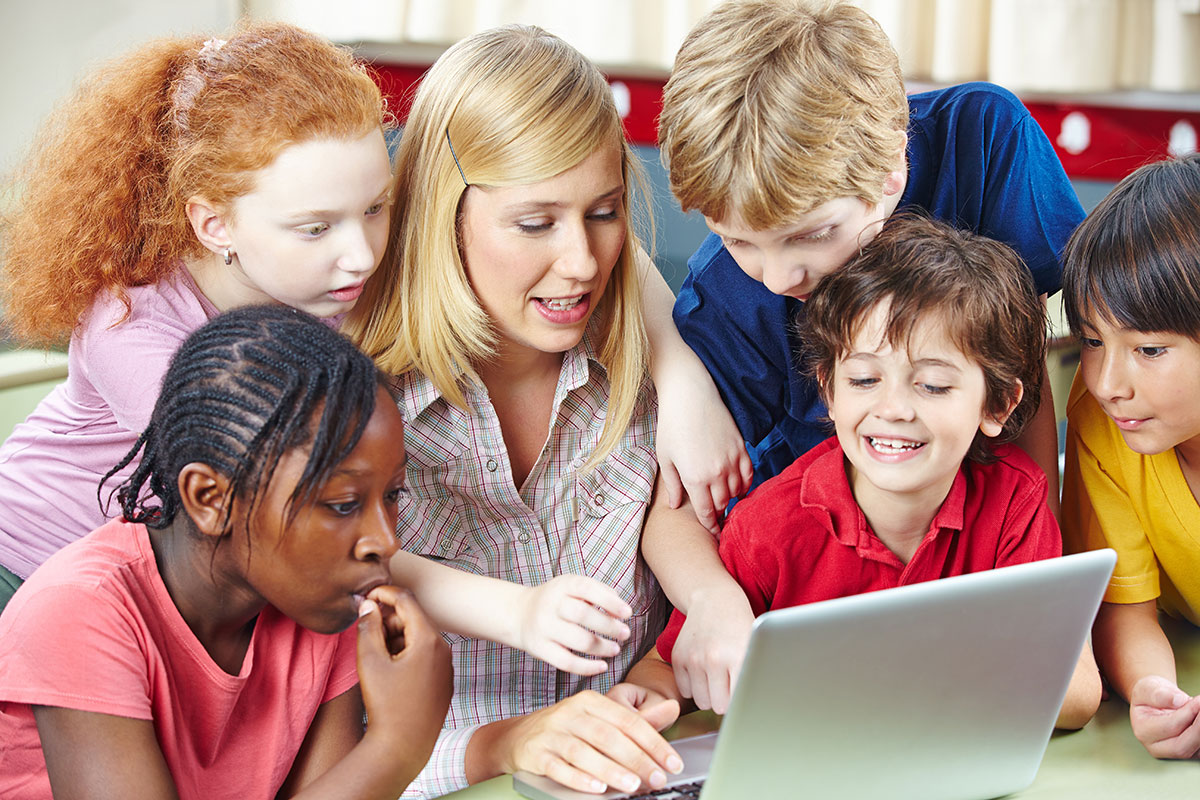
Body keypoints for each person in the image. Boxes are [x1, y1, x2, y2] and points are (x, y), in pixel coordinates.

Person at [0, 21, 748, 614]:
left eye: (377, 208)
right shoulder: (134, 325)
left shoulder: (326, 278)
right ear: (215, 225)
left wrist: (683, 378)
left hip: (181, 583)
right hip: (35, 568)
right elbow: (291, 522)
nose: (361, 254)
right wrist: (512, 612)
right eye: (317, 226)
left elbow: (593, 257)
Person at [645, 0, 1084, 712]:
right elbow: (679, 510)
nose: (779, 275)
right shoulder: (727, 302)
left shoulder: (983, 140)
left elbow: (1035, 364)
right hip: (826, 622)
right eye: (739, 239)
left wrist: (1042, 585)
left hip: (990, 557)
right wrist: (713, 602)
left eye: (814, 233)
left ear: (892, 170)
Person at [343, 24, 736, 798]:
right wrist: (507, 745)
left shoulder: (650, 369)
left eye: (604, 212)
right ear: (443, 215)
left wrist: (666, 665)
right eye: (534, 223)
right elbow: (323, 744)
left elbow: (685, 536)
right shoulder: (356, 400)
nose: (583, 262)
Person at [628, 215, 1102, 731]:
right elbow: (665, 669)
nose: (893, 409)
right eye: (864, 379)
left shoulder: (1015, 502)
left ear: (998, 406)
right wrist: (646, 698)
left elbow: (1078, 695)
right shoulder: (769, 527)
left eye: (934, 386)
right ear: (828, 389)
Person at [0, 305, 453, 799]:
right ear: (211, 499)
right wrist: (398, 742)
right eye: (343, 504)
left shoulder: (323, 602)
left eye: (392, 495)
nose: (386, 541)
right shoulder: (78, 611)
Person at [1061, 154, 1200, 759]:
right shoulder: (1104, 424)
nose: (1108, 381)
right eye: (1092, 341)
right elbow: (1123, 609)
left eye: (1148, 348)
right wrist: (1153, 690)